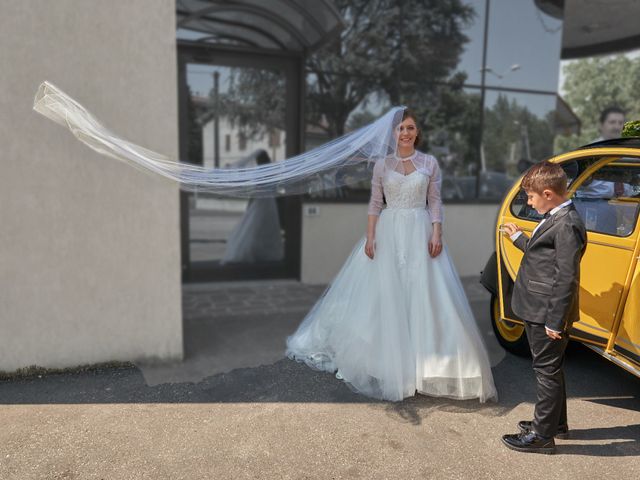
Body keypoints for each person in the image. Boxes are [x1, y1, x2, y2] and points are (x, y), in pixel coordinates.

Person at [286, 109, 497, 402]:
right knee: (384, 294)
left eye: (410, 128)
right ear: (393, 134)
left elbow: (435, 201)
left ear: (417, 132)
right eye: (400, 129)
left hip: (420, 230)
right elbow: (375, 203)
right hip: (389, 231)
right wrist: (371, 236)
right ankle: (382, 358)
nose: (406, 133)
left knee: (425, 293)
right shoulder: (382, 165)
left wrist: (437, 232)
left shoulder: (429, 163)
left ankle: (429, 362)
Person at [501, 161, 587, 454]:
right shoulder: (557, 216)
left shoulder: (567, 224)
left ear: (548, 193)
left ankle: (542, 436)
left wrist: (554, 320)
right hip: (539, 307)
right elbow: (542, 256)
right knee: (552, 369)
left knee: (546, 371)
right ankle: (555, 424)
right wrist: (518, 239)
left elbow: (566, 277)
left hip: (546, 313)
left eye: (531, 196)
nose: (529, 200)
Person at [221, 150, 284, 264]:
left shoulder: (261, 172)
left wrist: (251, 204)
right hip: (270, 204)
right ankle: (262, 251)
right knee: (265, 228)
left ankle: (254, 250)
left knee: (255, 227)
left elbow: (257, 191)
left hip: (261, 203)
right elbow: (274, 189)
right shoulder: (272, 172)